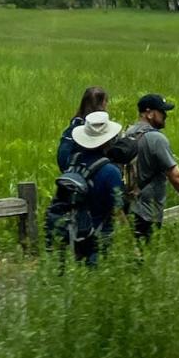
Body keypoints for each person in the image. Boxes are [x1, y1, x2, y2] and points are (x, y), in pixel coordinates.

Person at [45, 110, 126, 266]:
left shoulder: (73, 160)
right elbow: (118, 211)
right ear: (109, 139)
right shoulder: (110, 171)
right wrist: (130, 243)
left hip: (73, 234)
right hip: (99, 238)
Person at [122, 93, 179, 243]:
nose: (165, 115)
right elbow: (176, 176)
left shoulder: (128, 133)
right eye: (161, 111)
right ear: (149, 113)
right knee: (146, 257)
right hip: (148, 212)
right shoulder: (156, 139)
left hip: (129, 207)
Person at [57, 86, 109, 171]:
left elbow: (62, 157)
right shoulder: (100, 129)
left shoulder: (72, 128)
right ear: (102, 105)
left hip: (72, 174)